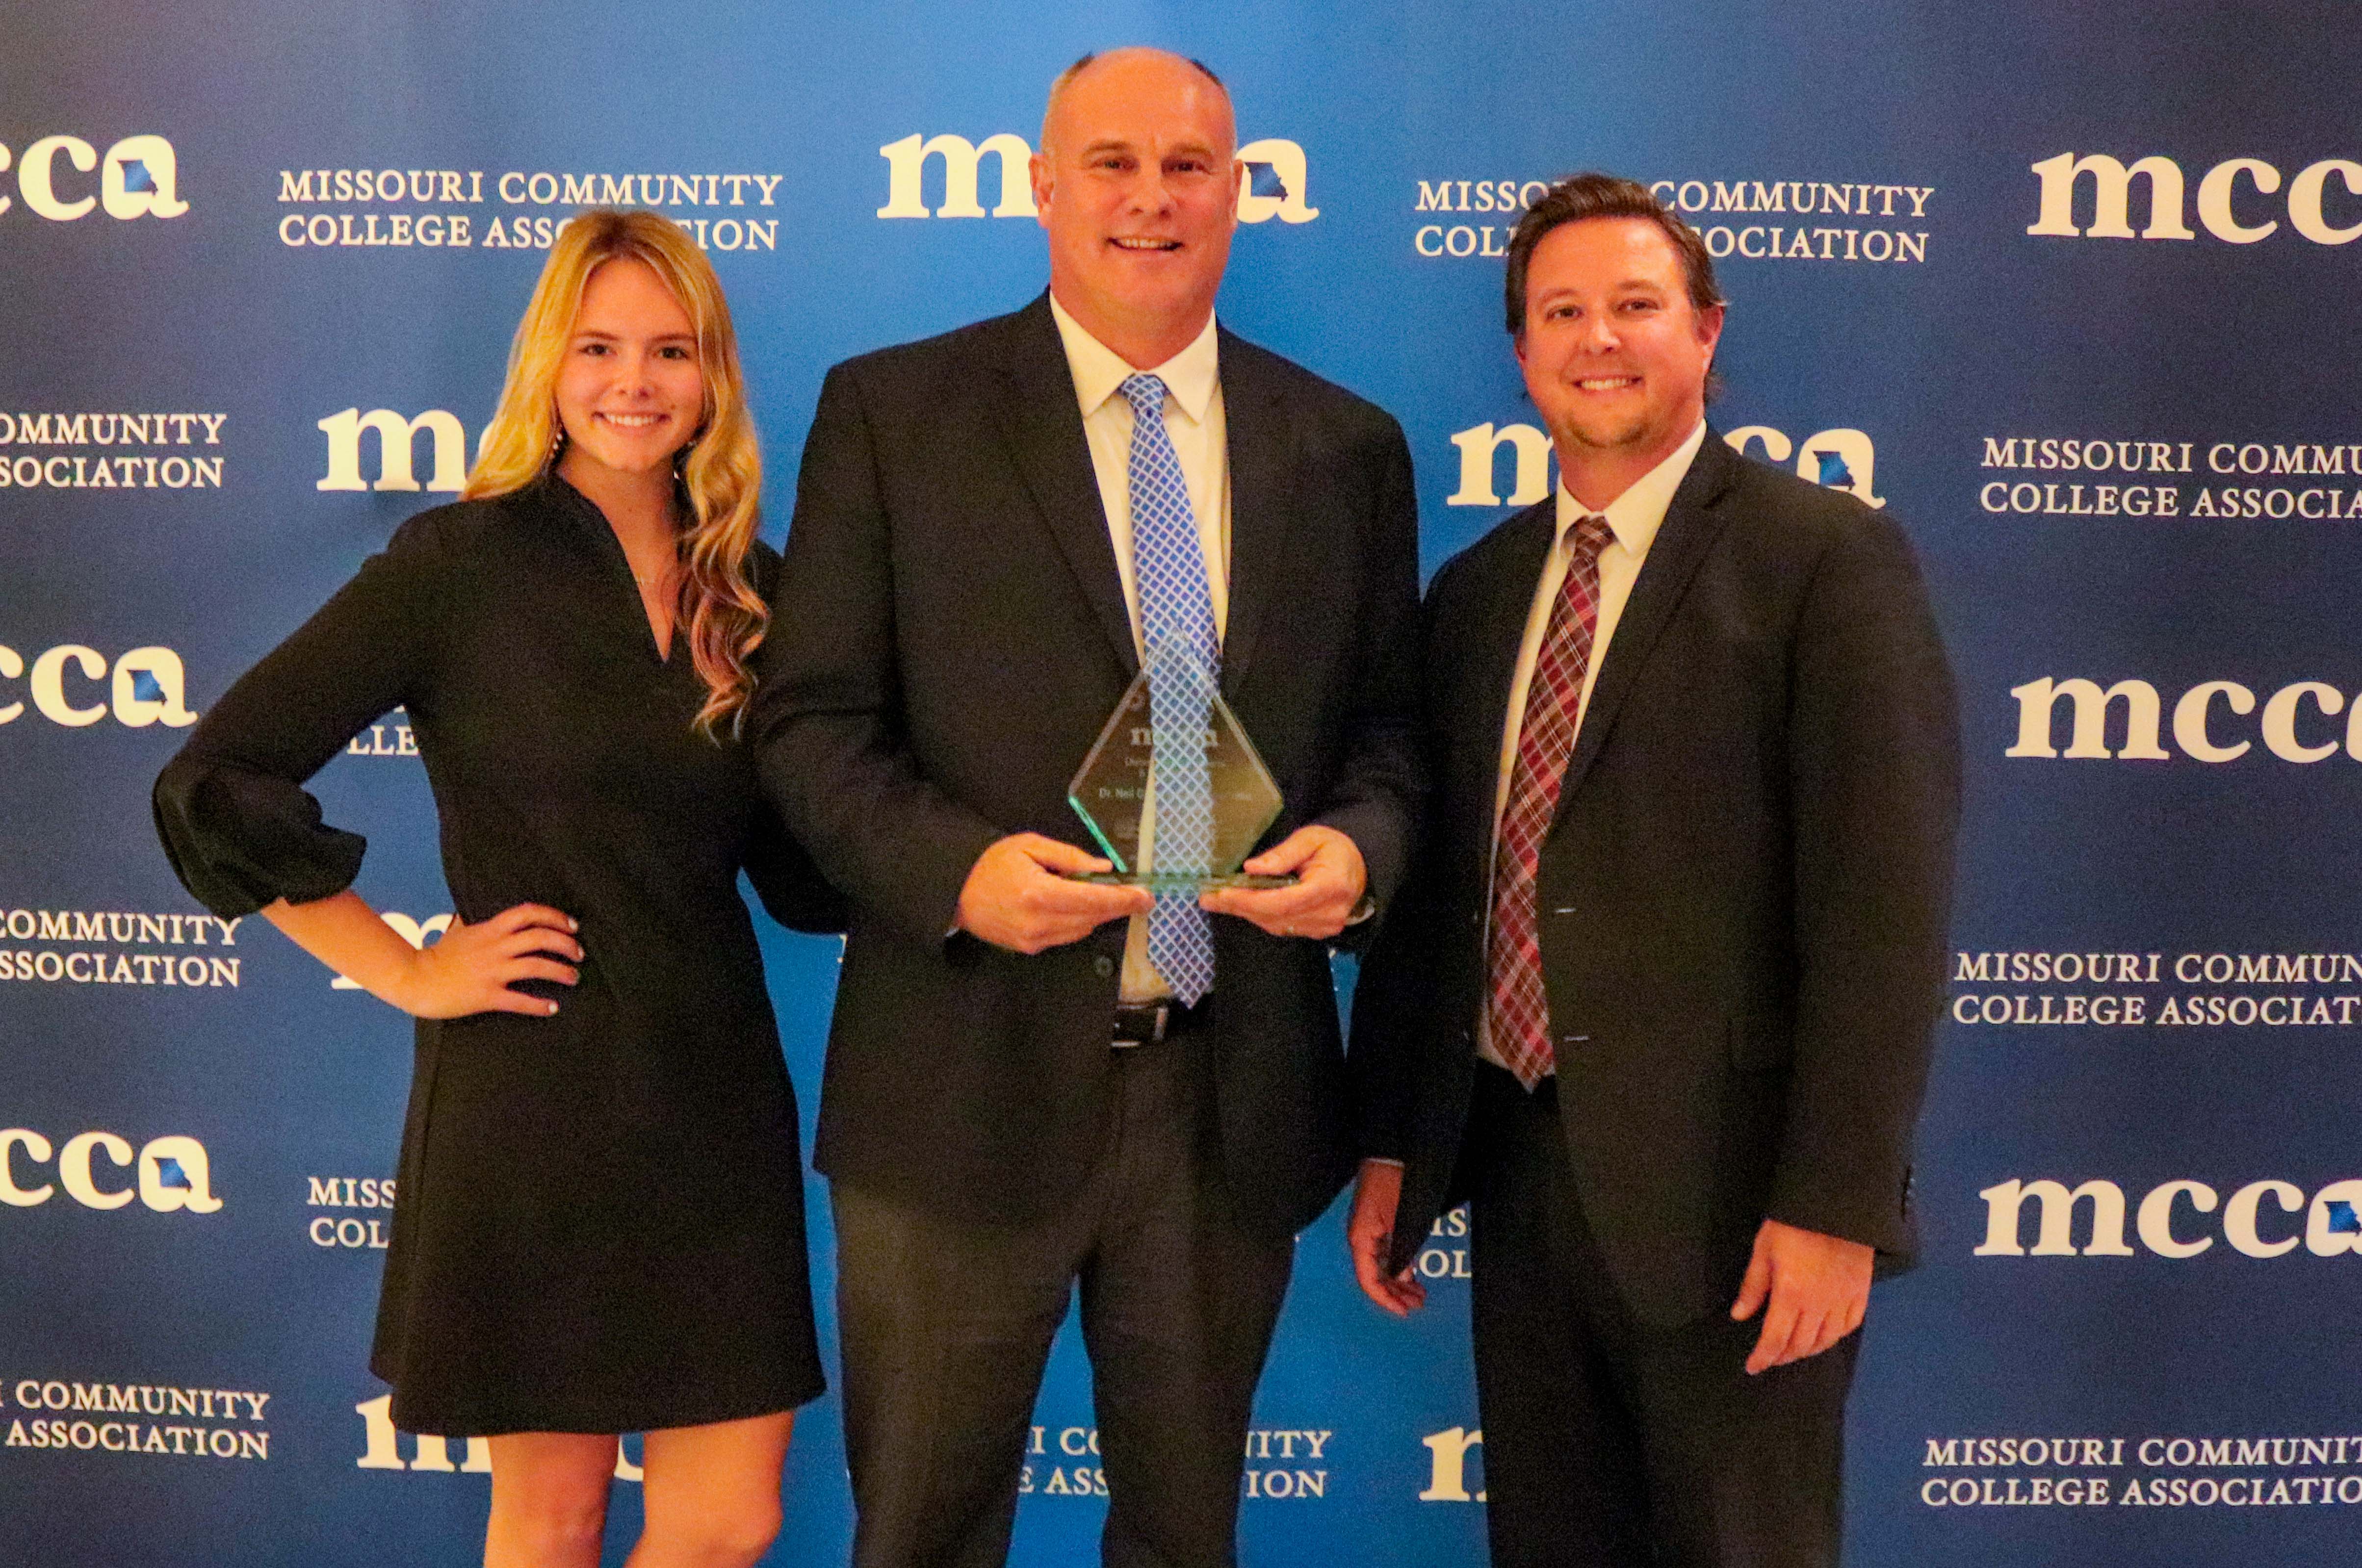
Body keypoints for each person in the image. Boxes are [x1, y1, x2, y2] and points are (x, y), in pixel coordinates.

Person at [753, 46, 1420, 1568]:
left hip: (1227, 1100)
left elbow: (1390, 730)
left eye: (1187, 166)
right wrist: (958, 872)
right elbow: (808, 727)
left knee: (1187, 1544)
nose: (1150, 198)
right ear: (1041, 187)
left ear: (1237, 194)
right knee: (921, 1533)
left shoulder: (1347, 447)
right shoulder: (894, 414)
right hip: (956, 1090)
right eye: (1109, 163)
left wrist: (1362, 850)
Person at [153, 210, 835, 1568]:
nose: (633, 382)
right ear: (549, 366)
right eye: (598, 347)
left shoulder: (754, 590)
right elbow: (216, 779)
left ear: (714, 377)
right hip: (536, 1097)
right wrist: (407, 968)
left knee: (727, 1520)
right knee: (553, 1516)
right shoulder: (458, 567)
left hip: (714, 1094)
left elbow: (806, 879)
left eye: (669, 349)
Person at [1347, 173, 1959, 1568]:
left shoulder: (1826, 563)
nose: (1598, 340)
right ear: (1522, 356)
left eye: (1635, 305)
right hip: (1518, 1175)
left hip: (1742, 1212)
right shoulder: (1480, 591)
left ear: (1705, 333)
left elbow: (1885, 915)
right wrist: (1397, 1139)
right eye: (1563, 313)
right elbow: (1448, 901)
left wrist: (1834, 1205)